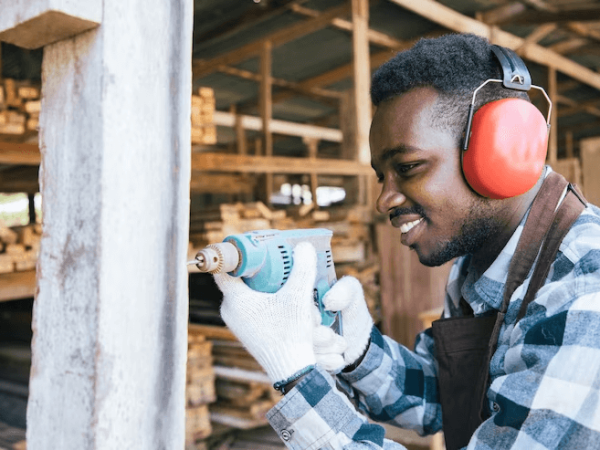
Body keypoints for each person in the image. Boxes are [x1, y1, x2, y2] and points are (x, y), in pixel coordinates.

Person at [214, 33, 600, 449]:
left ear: (501, 151)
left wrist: (296, 376)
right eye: (383, 177)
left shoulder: (583, 293)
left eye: (409, 166)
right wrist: (359, 351)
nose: (384, 200)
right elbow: (444, 397)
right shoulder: (483, 259)